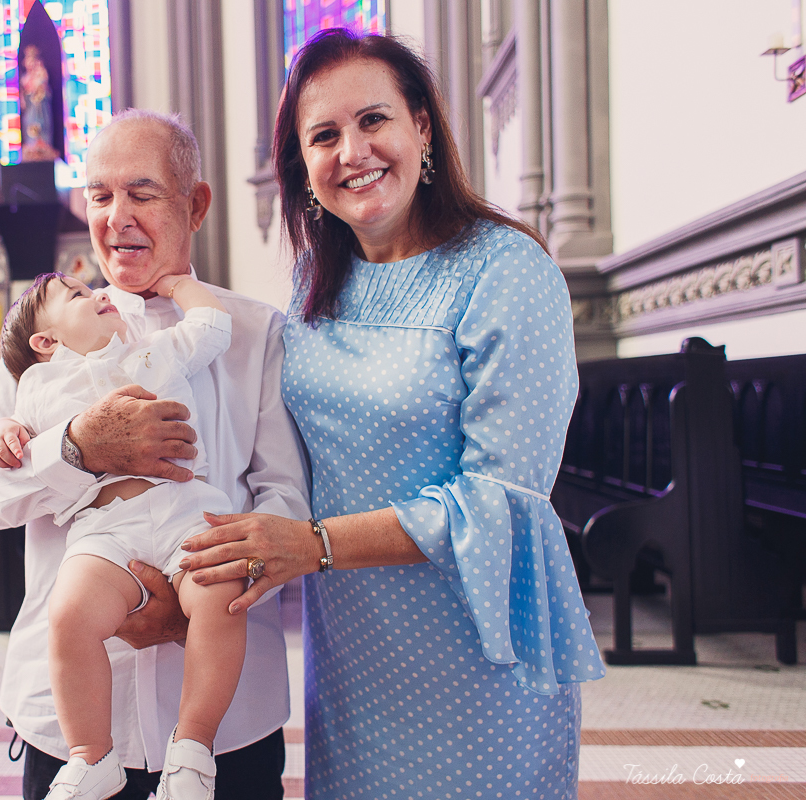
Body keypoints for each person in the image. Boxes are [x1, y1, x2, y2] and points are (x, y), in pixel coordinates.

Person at [177, 29, 606, 799]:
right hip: (354, 654)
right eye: (324, 135)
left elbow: (500, 501)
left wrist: (312, 544)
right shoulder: (318, 279)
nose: (353, 151)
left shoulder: (508, 269)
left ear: (422, 128)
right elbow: (275, 444)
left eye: (373, 120)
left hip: (476, 653)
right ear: (303, 167)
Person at [0, 109, 310, 800]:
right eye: (100, 195)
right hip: (68, 724)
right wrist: (77, 450)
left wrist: (195, 597)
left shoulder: (254, 333)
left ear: (195, 203)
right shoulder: (45, 343)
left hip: (228, 722)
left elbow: (286, 499)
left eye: (142, 193)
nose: (117, 217)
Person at [0, 270, 247, 800]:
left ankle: (192, 748)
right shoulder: (36, 385)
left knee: (221, 593)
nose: (99, 294)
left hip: (184, 513)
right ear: (46, 342)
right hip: (106, 530)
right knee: (70, 612)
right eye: (77, 296)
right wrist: (3, 433)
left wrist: (178, 287)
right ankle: (90, 755)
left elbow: (212, 326)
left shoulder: (153, 350)